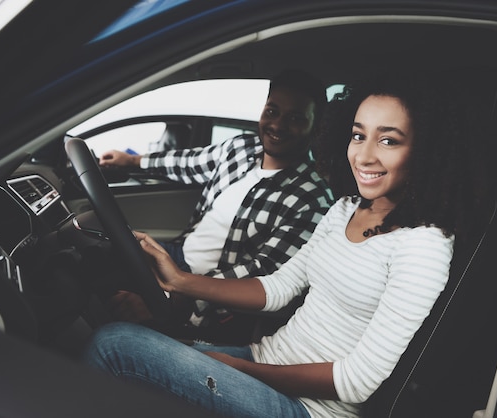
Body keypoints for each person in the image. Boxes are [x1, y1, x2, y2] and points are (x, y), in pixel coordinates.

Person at [83, 72, 493, 417]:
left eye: (388, 141)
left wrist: (239, 368)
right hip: (263, 358)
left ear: (424, 152)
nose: (363, 156)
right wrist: (179, 281)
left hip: (308, 408)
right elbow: (279, 288)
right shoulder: (347, 207)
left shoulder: (425, 246)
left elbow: (356, 383)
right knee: (116, 330)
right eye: (357, 135)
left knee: (113, 345)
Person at [96, 69, 334, 341]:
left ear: (315, 127)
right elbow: (188, 162)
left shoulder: (312, 200)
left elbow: (262, 276)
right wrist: (132, 161)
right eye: (272, 111)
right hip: (176, 256)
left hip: (208, 300)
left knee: (114, 322)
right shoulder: (240, 148)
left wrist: (175, 295)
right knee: (94, 263)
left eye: (295, 119)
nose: (277, 125)